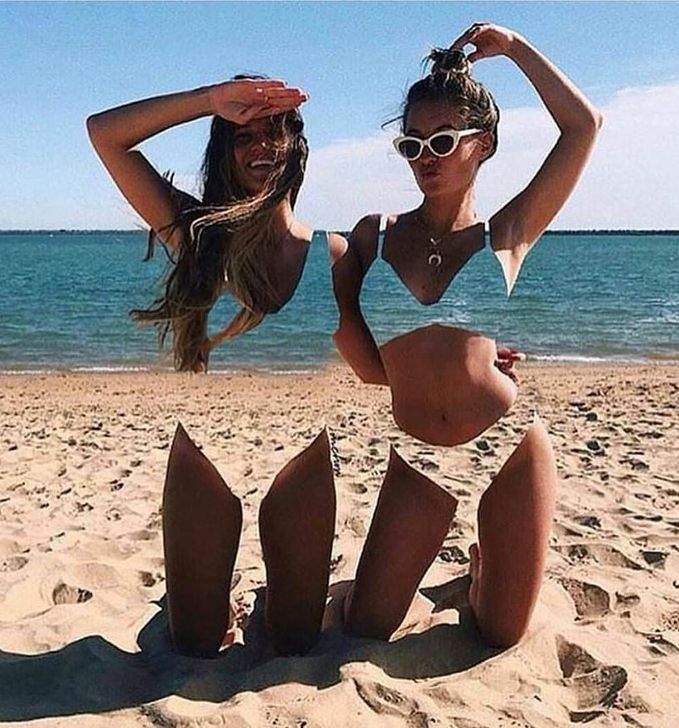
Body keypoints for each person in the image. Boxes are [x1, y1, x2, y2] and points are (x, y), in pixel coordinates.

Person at [332, 23, 602, 646]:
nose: (425, 156)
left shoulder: (506, 234)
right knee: (366, 627)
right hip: (417, 454)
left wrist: (515, 49)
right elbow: (366, 361)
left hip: (505, 445)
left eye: (443, 140)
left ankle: (482, 572)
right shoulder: (373, 236)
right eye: (412, 144)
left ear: (482, 144)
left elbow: (583, 127)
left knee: (502, 632)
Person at [87, 78, 345, 656]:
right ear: (223, 151)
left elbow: (391, 339)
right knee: (196, 643)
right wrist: (209, 100)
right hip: (207, 452)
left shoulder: (333, 253)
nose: (261, 147)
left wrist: (478, 352)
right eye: (243, 136)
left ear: (297, 144)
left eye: (274, 131)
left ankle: (267, 600)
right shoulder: (196, 234)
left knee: (295, 640)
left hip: (300, 457)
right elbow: (104, 135)